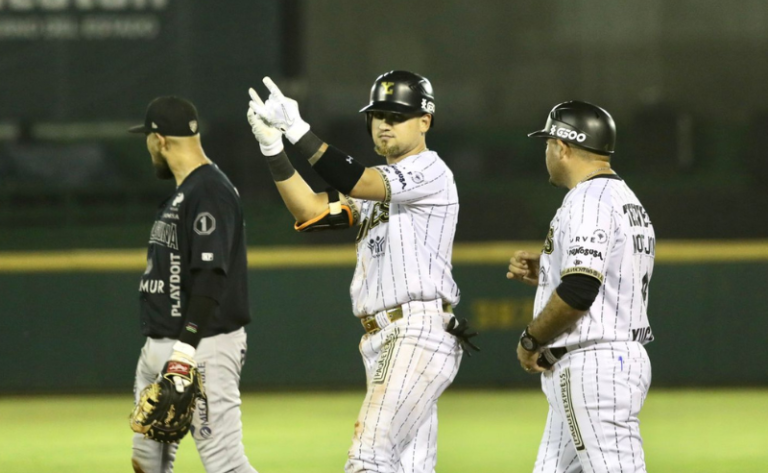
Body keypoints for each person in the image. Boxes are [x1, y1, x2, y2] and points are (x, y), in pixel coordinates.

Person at [246, 71, 478, 473]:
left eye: (397, 115)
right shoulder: (380, 183)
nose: (384, 123)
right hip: (389, 338)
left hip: (415, 333)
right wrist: (272, 148)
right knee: (407, 466)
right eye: (377, 115)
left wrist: (299, 130)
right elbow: (311, 210)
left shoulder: (429, 171)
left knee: (367, 457)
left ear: (425, 120)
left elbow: (358, 179)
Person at [507, 101, 655, 473]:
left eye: (547, 143)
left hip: (594, 365)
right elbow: (608, 276)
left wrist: (530, 340)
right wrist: (551, 267)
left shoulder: (588, 200)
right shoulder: (625, 199)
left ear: (563, 146)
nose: (546, 152)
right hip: (608, 359)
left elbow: (579, 292)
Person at [128, 96, 258, 473]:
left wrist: (184, 349)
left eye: (147, 139)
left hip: (201, 347)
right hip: (163, 346)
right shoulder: (185, 193)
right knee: (147, 463)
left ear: (159, 140)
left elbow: (210, 276)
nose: (148, 147)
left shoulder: (209, 191)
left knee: (226, 465)